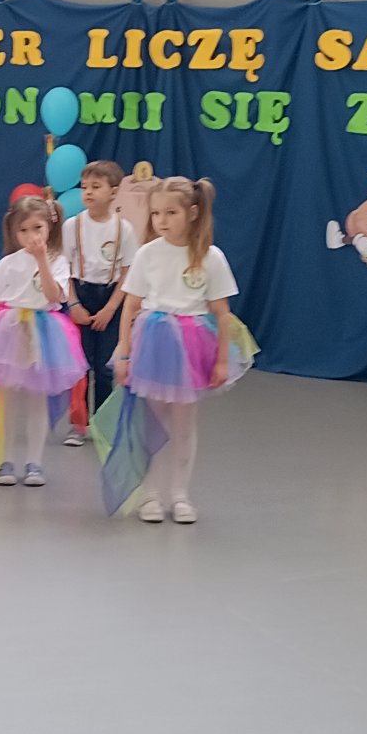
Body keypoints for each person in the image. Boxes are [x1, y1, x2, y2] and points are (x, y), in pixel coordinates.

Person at [92, 177, 259, 524]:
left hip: (193, 345)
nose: (162, 220)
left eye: (171, 213)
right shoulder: (147, 254)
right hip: (153, 343)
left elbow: (222, 313)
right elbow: (131, 306)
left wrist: (222, 360)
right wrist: (124, 351)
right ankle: (151, 494)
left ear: (193, 213)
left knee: (184, 424)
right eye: (156, 213)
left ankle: (180, 494)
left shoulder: (211, 257)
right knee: (153, 423)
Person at [0, 195, 85, 488]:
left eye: (37, 228)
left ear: (49, 228)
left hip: (44, 334)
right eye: (24, 230)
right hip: (10, 332)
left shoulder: (58, 262)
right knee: (8, 402)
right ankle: (6, 460)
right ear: (14, 232)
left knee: (36, 401)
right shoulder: (8, 263)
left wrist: (42, 260)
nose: (31, 236)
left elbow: (54, 296)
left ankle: (34, 462)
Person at [62, 160, 139, 445]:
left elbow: (128, 272)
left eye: (96, 187)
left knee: (106, 367)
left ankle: (103, 424)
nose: (88, 192)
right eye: (84, 187)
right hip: (81, 295)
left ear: (114, 192)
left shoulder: (124, 229)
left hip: (110, 299)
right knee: (80, 366)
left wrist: (110, 308)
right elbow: (63, 269)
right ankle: (78, 424)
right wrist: (74, 305)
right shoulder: (72, 226)